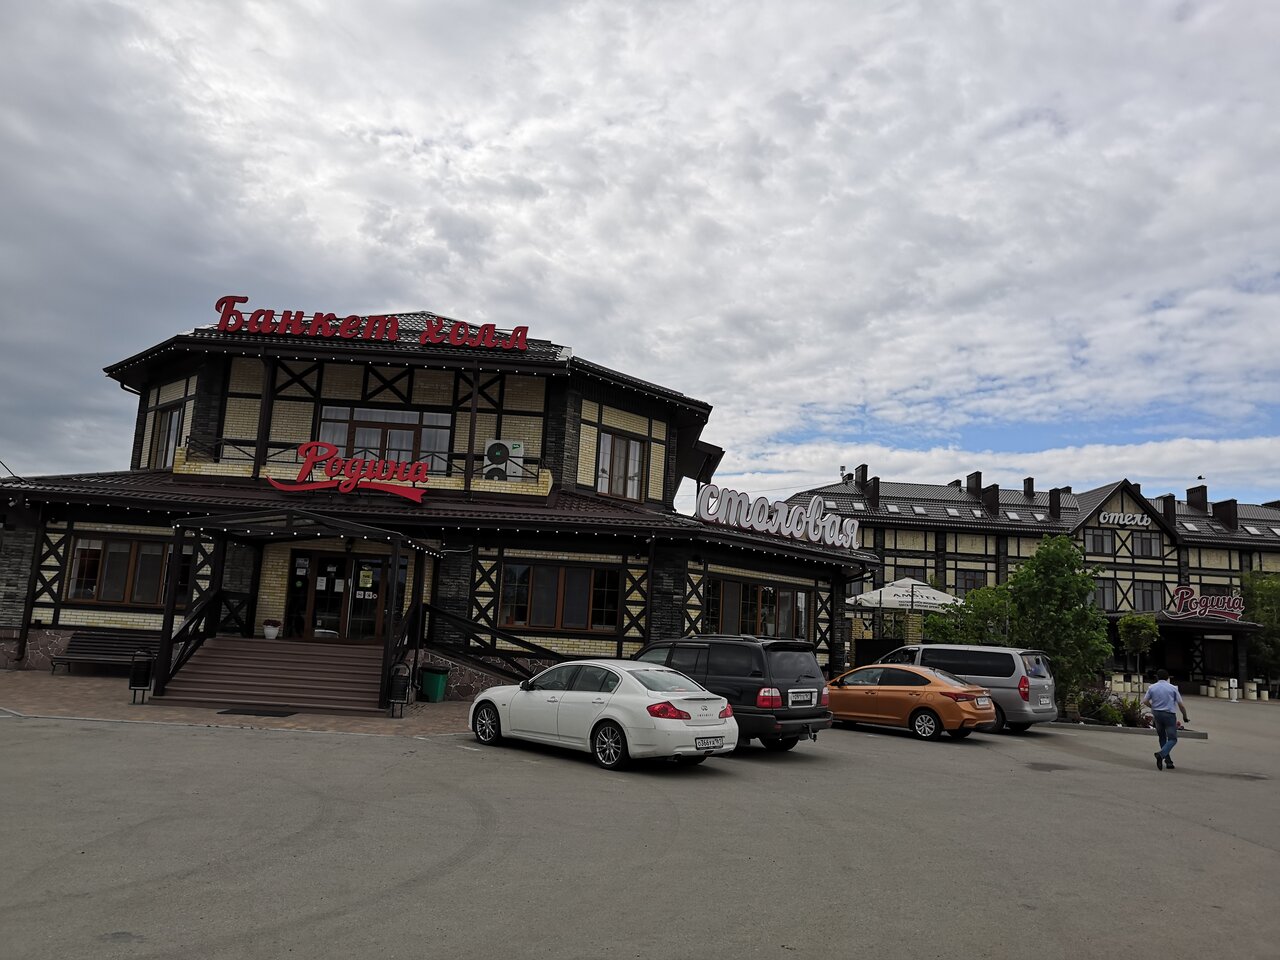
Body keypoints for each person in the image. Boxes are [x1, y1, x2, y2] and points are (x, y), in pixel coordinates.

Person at [1142, 669, 1190, 770]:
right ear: (1168, 677)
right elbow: (1180, 705)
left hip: (1157, 714)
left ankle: (1168, 762)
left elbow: (1145, 701)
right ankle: (1161, 754)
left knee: (1162, 737)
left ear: (1157, 677)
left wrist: (1153, 707)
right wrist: (1185, 716)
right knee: (1172, 738)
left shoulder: (1152, 687)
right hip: (1169, 715)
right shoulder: (1173, 688)